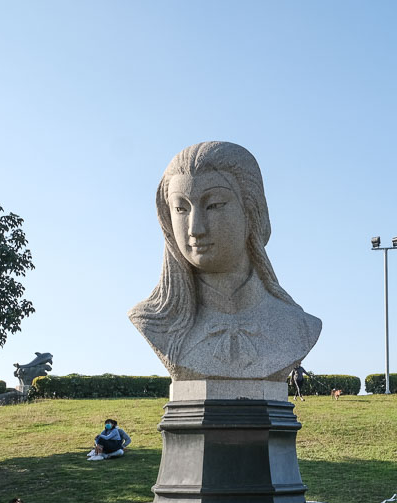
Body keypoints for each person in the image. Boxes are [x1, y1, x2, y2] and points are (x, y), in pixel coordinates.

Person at [128, 141, 321, 382]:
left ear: (251, 212)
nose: (195, 229)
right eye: (181, 209)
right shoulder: (154, 323)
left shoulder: (298, 328)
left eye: (214, 205)